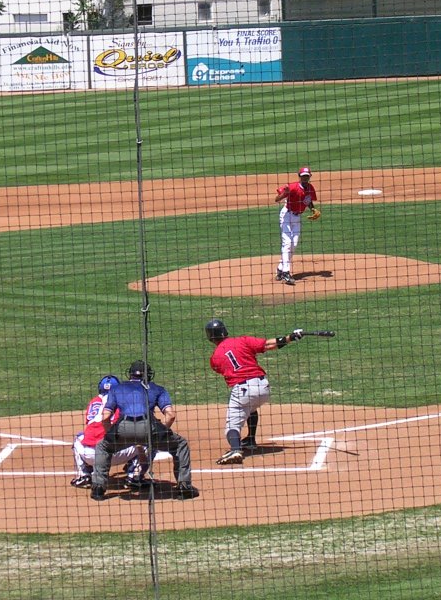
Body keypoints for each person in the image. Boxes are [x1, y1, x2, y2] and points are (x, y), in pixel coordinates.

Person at [89, 360, 198, 501]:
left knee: (103, 447)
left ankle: (98, 489)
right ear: (148, 375)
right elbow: (170, 415)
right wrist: (161, 432)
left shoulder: (117, 389)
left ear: (130, 374)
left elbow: (106, 417)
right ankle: (184, 488)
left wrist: (112, 436)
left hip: (123, 428)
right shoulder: (158, 389)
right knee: (180, 444)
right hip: (149, 427)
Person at [205, 318, 302, 464]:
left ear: (211, 338)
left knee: (232, 425)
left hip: (243, 390)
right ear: (225, 331)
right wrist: (290, 337)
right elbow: (269, 345)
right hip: (263, 387)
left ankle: (236, 450)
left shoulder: (214, 358)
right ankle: (250, 439)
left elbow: (222, 369)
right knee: (250, 407)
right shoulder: (242, 340)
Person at [70, 375, 146, 488]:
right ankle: (134, 476)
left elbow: (91, 425)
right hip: (113, 454)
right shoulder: (121, 401)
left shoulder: (93, 402)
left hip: (89, 456)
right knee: (145, 439)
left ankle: (84, 475)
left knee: (79, 437)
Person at [274, 166, 319, 285]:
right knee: (287, 243)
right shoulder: (292, 186)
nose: (305, 178)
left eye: (307, 176)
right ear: (299, 177)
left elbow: (308, 200)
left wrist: (313, 209)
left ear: (310, 176)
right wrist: (285, 194)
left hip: (297, 217)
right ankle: (286, 273)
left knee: (293, 245)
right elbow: (276, 199)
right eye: (303, 176)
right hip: (286, 216)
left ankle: (280, 268)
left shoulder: (310, 188)